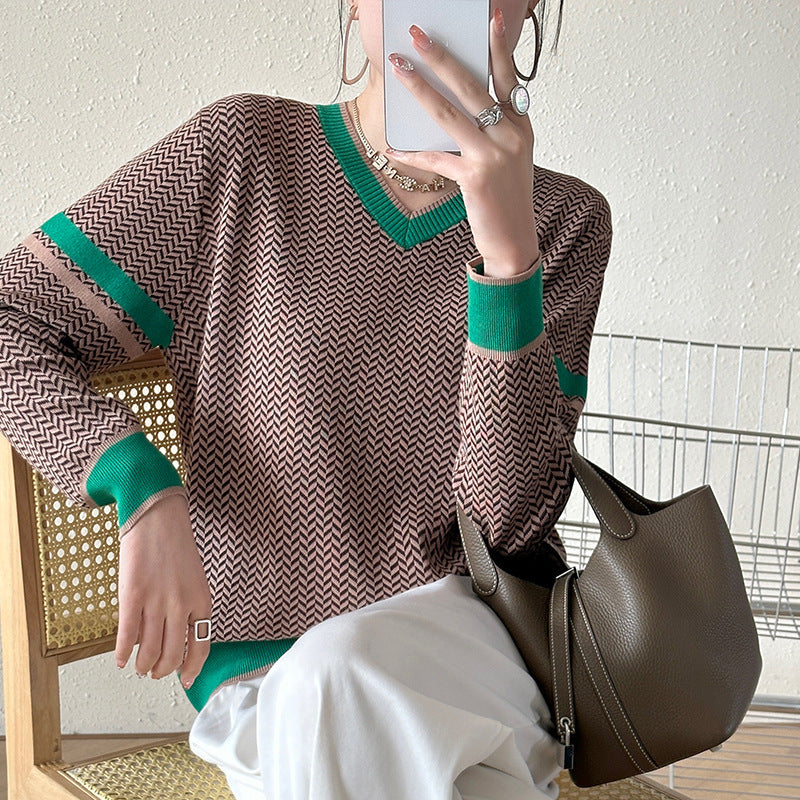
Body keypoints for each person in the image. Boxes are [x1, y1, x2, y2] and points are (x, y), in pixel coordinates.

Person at [0, 0, 611, 797]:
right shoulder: (242, 153)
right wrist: (142, 488)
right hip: (268, 683)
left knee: (343, 678)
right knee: (334, 685)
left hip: (475, 662)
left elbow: (509, 526)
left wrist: (506, 255)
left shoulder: (562, 222)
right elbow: (10, 320)